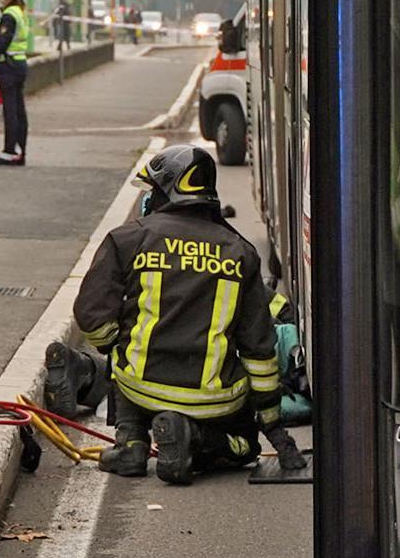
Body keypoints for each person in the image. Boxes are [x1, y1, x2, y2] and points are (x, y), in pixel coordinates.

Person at [78, 144, 295, 485]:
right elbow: (258, 347)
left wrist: (114, 346)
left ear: (169, 190)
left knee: (124, 362)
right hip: (213, 400)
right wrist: (272, 424)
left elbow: (91, 314)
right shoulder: (240, 252)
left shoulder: (128, 238)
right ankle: (195, 437)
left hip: (138, 386)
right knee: (244, 447)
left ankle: (131, 443)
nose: (148, 199)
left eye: (153, 190)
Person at [0, 0, 33, 165]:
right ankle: (20, 151)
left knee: (11, 110)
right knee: (19, 110)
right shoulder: (19, 12)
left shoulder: (9, 16)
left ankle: (9, 150)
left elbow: (1, 44)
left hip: (8, 66)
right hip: (19, 63)